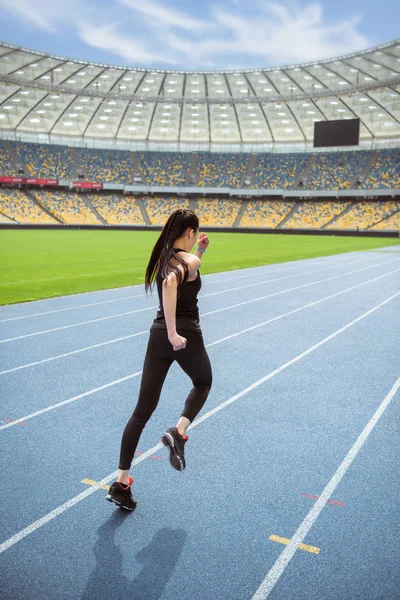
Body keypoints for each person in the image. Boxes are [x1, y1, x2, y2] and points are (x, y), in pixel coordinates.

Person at [106, 209, 212, 511]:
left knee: (141, 412)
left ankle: (121, 483)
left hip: (156, 336)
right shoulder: (188, 261)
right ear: (189, 232)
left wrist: (200, 252)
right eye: (196, 237)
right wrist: (174, 332)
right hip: (183, 335)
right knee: (203, 382)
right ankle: (178, 432)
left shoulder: (166, 257)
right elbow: (171, 285)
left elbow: (177, 275)